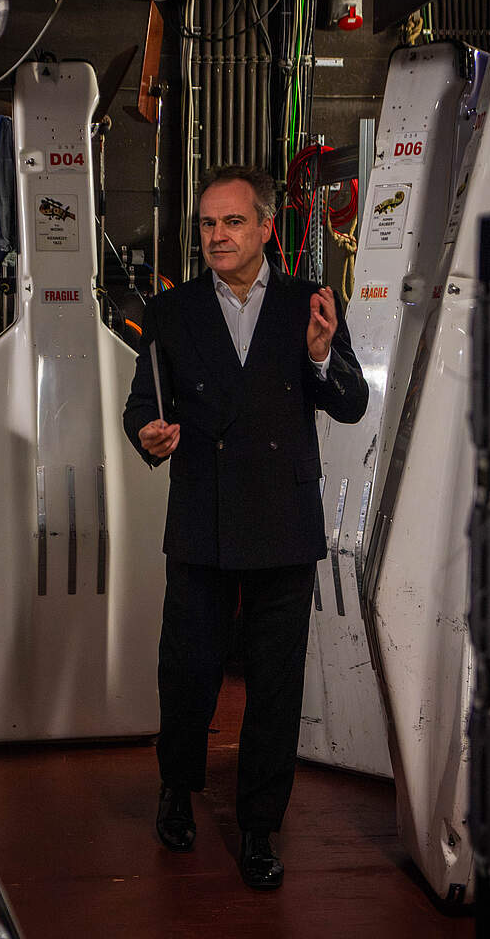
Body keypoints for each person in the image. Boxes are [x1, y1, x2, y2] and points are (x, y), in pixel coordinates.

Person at [123, 164, 368, 889]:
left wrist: (320, 357)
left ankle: (260, 826)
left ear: (265, 226)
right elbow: (143, 406)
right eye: (208, 223)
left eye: (232, 221)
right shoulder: (171, 312)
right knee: (186, 672)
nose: (217, 235)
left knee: (275, 685)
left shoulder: (308, 304)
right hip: (201, 516)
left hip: (282, 521)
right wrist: (148, 434)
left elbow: (351, 403)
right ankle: (177, 788)